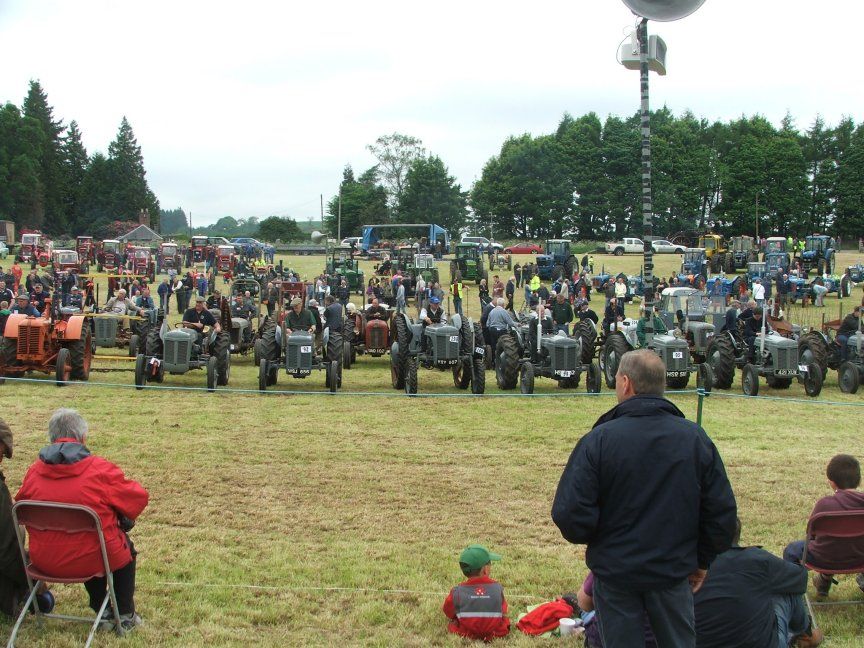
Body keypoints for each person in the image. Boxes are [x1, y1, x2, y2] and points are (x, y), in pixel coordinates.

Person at [552, 350, 737, 648]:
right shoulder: (695, 439)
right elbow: (722, 513)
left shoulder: (599, 440)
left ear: (626, 383)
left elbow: (569, 512)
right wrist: (702, 558)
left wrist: (601, 541)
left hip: (623, 572)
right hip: (669, 570)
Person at [15, 409, 148, 631]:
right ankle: (124, 614)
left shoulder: (33, 472)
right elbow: (137, 498)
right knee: (119, 549)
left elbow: (21, 509)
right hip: (91, 558)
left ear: (51, 438)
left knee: (90, 542)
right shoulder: (99, 469)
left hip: (43, 560)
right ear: (83, 438)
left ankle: (101, 608)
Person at [695, 518, 822, 648]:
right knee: (788, 586)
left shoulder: (684, 567)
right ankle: (806, 636)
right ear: (736, 535)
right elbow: (799, 579)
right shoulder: (756, 560)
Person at [783, 454, 864, 597]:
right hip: (859, 557)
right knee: (843, 543)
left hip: (824, 558)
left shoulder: (825, 504)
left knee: (792, 550)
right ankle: (825, 580)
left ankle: (792, 595)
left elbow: (812, 535)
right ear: (859, 481)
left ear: (831, 483)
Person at [442, 544, 509, 641]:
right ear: (485, 569)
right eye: (490, 563)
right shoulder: (497, 588)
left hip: (466, 633)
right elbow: (503, 610)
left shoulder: (457, 592)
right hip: (494, 633)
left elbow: (448, 612)